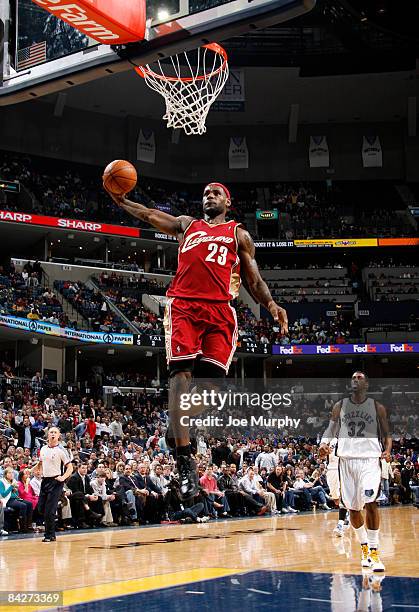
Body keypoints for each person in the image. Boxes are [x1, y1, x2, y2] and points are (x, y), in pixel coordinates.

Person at [105, 181, 288, 498]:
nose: (210, 196)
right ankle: (185, 462)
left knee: (212, 388)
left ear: (227, 201)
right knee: (181, 374)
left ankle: (177, 424)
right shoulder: (187, 225)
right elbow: (149, 214)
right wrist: (122, 201)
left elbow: (253, 279)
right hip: (184, 306)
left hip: (220, 310)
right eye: (206, 193)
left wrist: (270, 304)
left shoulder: (238, 234)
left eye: (216, 193)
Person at [319, 371, 391, 572]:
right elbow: (331, 429)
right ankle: (365, 549)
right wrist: (323, 444)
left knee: (371, 503)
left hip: (369, 460)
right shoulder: (339, 406)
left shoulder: (377, 407)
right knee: (353, 508)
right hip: (347, 461)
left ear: (366, 384)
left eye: (359, 378)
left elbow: (387, 434)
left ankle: (375, 552)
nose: (355, 380)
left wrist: (387, 450)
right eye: (353, 378)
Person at [35, 427, 73, 542]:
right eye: (51, 432)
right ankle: (54, 513)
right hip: (45, 480)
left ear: (58, 436)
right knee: (41, 508)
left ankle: (49, 535)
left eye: (55, 432)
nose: (52, 434)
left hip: (56, 481)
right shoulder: (43, 449)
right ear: (47, 435)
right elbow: (40, 463)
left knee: (48, 511)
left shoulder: (61, 451)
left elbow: (70, 467)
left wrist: (63, 477)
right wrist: (36, 470)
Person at [325, 437, 349, 536]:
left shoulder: (346, 439)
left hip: (341, 468)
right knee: (335, 498)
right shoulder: (328, 439)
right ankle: (346, 513)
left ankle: (340, 524)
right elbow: (322, 455)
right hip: (330, 469)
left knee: (342, 496)